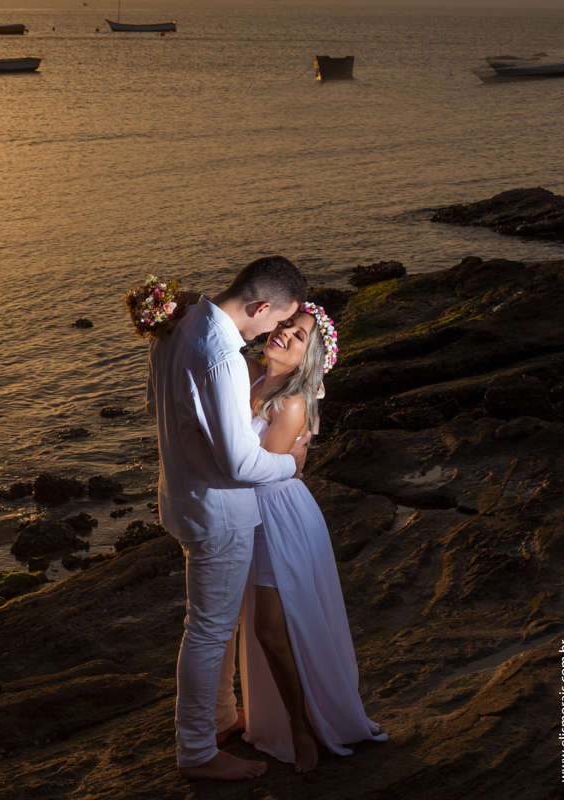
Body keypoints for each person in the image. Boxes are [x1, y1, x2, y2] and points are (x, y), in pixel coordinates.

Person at [144, 255, 311, 781]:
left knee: (208, 624)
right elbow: (239, 461)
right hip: (218, 510)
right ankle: (196, 751)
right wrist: (291, 464)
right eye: (277, 321)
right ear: (260, 305)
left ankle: (219, 718)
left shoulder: (181, 321)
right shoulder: (220, 352)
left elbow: (155, 405)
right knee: (209, 632)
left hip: (180, 493)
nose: (275, 331)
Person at [237, 303, 387, 772]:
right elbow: (216, 340)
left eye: (298, 335)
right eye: (284, 325)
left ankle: (303, 727)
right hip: (252, 516)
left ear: (309, 359)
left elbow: (255, 473)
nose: (283, 334)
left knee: (269, 628)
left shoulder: (293, 402)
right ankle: (285, 718)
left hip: (280, 519)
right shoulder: (254, 375)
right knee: (269, 630)